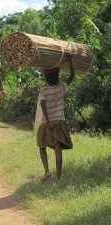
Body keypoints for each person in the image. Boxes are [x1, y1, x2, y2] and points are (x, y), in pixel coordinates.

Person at [35, 53, 74, 181]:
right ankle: (58, 177)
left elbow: (42, 104)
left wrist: (48, 120)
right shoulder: (61, 88)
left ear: (46, 78)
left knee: (42, 146)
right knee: (58, 149)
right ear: (57, 77)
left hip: (46, 122)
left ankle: (47, 171)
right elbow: (71, 76)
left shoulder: (43, 90)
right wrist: (70, 61)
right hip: (59, 122)